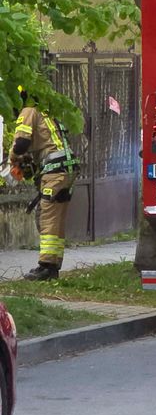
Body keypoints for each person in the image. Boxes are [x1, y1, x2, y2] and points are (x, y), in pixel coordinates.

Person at [7, 86, 79, 281]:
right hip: (67, 167)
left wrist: (12, 158)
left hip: (55, 170)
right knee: (57, 217)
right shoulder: (47, 111)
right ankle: (54, 264)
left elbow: (21, 144)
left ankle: (46, 267)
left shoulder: (28, 111)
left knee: (46, 216)